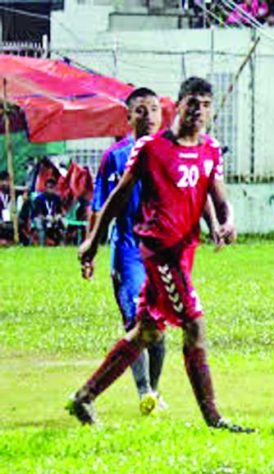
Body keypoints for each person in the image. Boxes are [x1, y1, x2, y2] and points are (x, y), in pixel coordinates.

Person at [69, 76, 252, 433]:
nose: (198, 110)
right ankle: (214, 418)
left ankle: (84, 397)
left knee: (147, 332)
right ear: (179, 106)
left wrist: (227, 221)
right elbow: (119, 196)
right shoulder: (151, 148)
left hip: (185, 252)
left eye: (205, 104)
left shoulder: (210, 150)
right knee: (195, 325)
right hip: (159, 252)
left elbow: (218, 195)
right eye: (192, 102)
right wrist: (93, 240)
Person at [78, 87, 169, 415]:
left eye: (154, 110)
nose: (148, 116)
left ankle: (153, 389)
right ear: (128, 117)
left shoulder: (171, 153)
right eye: (141, 110)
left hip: (162, 256)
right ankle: (144, 391)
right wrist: (91, 249)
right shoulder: (114, 157)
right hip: (128, 253)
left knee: (158, 329)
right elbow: (99, 206)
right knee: (137, 322)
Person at [31, 176, 65, 246]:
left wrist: (57, 217)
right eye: (49, 187)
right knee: (39, 223)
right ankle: (42, 244)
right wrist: (46, 218)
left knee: (63, 222)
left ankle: (61, 245)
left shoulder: (57, 198)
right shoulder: (39, 199)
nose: (51, 189)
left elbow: (60, 212)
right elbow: (36, 214)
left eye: (52, 187)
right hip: (42, 218)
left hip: (53, 218)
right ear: (45, 188)